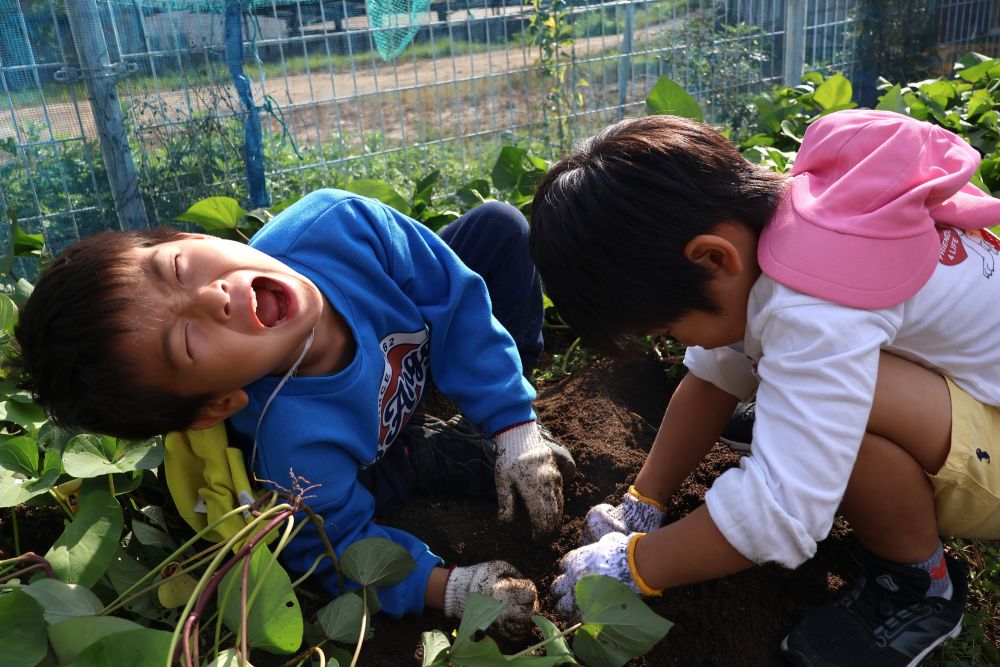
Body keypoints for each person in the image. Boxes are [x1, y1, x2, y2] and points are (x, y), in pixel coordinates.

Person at [528, 110, 1000, 666]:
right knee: (802, 387)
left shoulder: (809, 308)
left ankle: (917, 583)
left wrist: (636, 563)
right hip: (967, 395)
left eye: (667, 328)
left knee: (833, 425)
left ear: (712, 257)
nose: (672, 342)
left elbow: (781, 512)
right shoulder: (787, 229)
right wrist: (643, 501)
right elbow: (711, 374)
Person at [15, 190, 575, 638]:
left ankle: (494, 396)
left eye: (180, 267)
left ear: (187, 236)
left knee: (499, 229)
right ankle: (419, 442)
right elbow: (342, 549)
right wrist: (450, 589)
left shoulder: (340, 227)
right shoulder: (288, 448)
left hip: (422, 340)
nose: (215, 298)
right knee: (364, 494)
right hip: (369, 450)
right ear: (217, 404)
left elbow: (453, 295)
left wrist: (512, 423)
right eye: (187, 342)